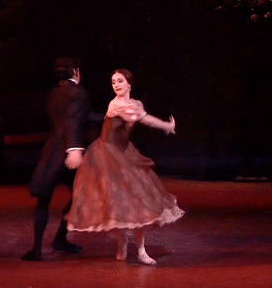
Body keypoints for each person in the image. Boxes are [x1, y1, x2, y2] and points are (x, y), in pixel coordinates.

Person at [65, 68, 185, 265]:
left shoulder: (134, 104)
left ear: (129, 83)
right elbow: (144, 119)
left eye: (120, 81)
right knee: (111, 204)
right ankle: (122, 239)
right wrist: (166, 126)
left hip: (124, 154)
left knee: (138, 202)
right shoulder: (118, 104)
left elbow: (141, 117)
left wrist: (165, 126)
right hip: (105, 156)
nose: (116, 85)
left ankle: (140, 250)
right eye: (113, 82)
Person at [21, 57, 94, 261]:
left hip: (53, 150)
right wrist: (74, 149)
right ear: (76, 72)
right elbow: (72, 121)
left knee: (46, 199)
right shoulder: (79, 93)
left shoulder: (55, 93)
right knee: (79, 194)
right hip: (68, 152)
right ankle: (59, 239)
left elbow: (77, 117)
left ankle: (38, 247)